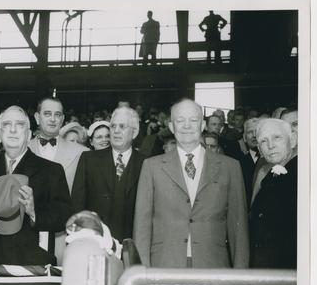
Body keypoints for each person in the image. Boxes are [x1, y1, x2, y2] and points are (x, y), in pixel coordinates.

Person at [133, 98, 249, 269]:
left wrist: (241, 280)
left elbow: (238, 229)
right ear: (171, 127)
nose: (186, 126)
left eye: (193, 120)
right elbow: (141, 227)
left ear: (202, 125)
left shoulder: (229, 167)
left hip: (213, 268)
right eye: (180, 121)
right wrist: (142, 274)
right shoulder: (152, 167)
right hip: (164, 267)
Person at [0, 105, 72, 265]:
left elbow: (64, 216)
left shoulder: (51, 171)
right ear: (0, 135)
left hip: (29, 264)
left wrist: (33, 212)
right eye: (7, 125)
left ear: (29, 134)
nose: (13, 130)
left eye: (20, 125)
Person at [72, 107, 145, 241]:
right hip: (95, 241)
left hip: (132, 243)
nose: (116, 131)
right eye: (113, 126)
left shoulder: (147, 163)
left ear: (134, 132)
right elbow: (77, 204)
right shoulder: (89, 159)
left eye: (122, 126)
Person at [29, 97, 89, 261]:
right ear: (37, 117)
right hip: (28, 235)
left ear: (62, 119)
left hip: (65, 236)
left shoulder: (82, 153)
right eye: (47, 114)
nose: (53, 119)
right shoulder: (22, 150)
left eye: (57, 115)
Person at [250, 119, 297, 269]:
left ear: (293, 140)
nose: (270, 145)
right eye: (263, 141)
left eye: (277, 137)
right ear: (259, 149)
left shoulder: (303, 175)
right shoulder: (269, 176)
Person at [238, 118, 261, 203]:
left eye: (257, 131)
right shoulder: (237, 162)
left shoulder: (271, 161)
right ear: (244, 138)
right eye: (250, 132)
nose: (254, 135)